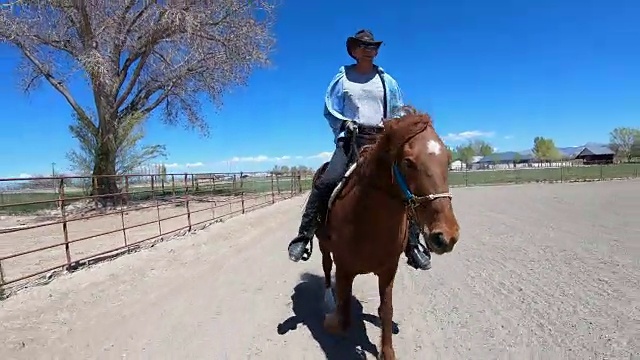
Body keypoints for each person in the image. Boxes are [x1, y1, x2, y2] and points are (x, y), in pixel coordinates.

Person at [287, 29, 432, 271]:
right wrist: (345, 122)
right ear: (354, 50)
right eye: (364, 46)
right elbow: (329, 108)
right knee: (327, 180)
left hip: (381, 141)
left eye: (374, 47)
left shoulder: (388, 81)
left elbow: (397, 109)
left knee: (407, 182)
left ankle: (413, 243)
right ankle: (305, 235)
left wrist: (393, 126)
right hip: (351, 139)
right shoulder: (342, 78)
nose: (370, 51)